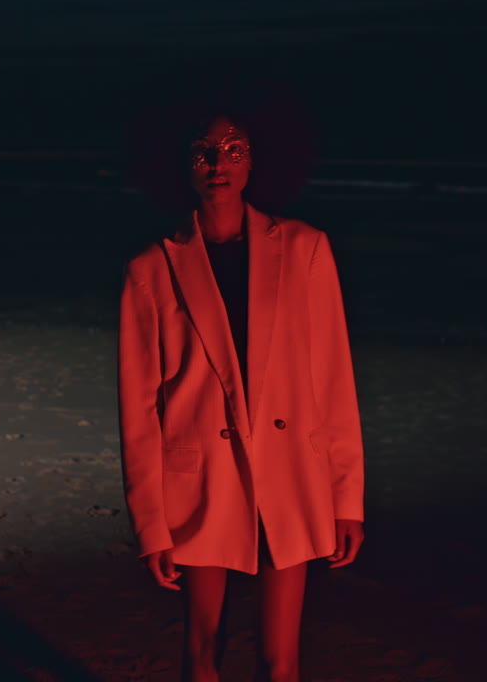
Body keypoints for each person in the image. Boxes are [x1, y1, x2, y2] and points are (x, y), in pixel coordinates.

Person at [117, 106, 365, 682]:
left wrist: (346, 497)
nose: (218, 163)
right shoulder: (151, 268)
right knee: (203, 647)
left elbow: (333, 379)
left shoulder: (305, 248)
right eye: (203, 150)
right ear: (182, 164)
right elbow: (138, 409)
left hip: (292, 470)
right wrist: (150, 524)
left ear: (256, 160)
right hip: (200, 476)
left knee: (281, 659)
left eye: (234, 149)